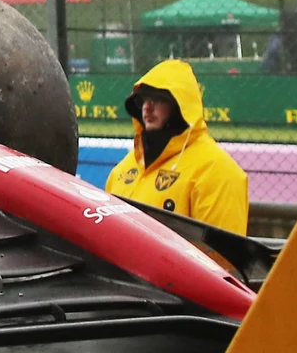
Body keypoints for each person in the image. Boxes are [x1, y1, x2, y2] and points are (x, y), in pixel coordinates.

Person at [105, 60, 248, 234]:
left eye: (158, 100)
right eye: (143, 100)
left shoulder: (218, 171)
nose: (147, 108)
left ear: (180, 106)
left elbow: (223, 255)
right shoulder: (122, 171)